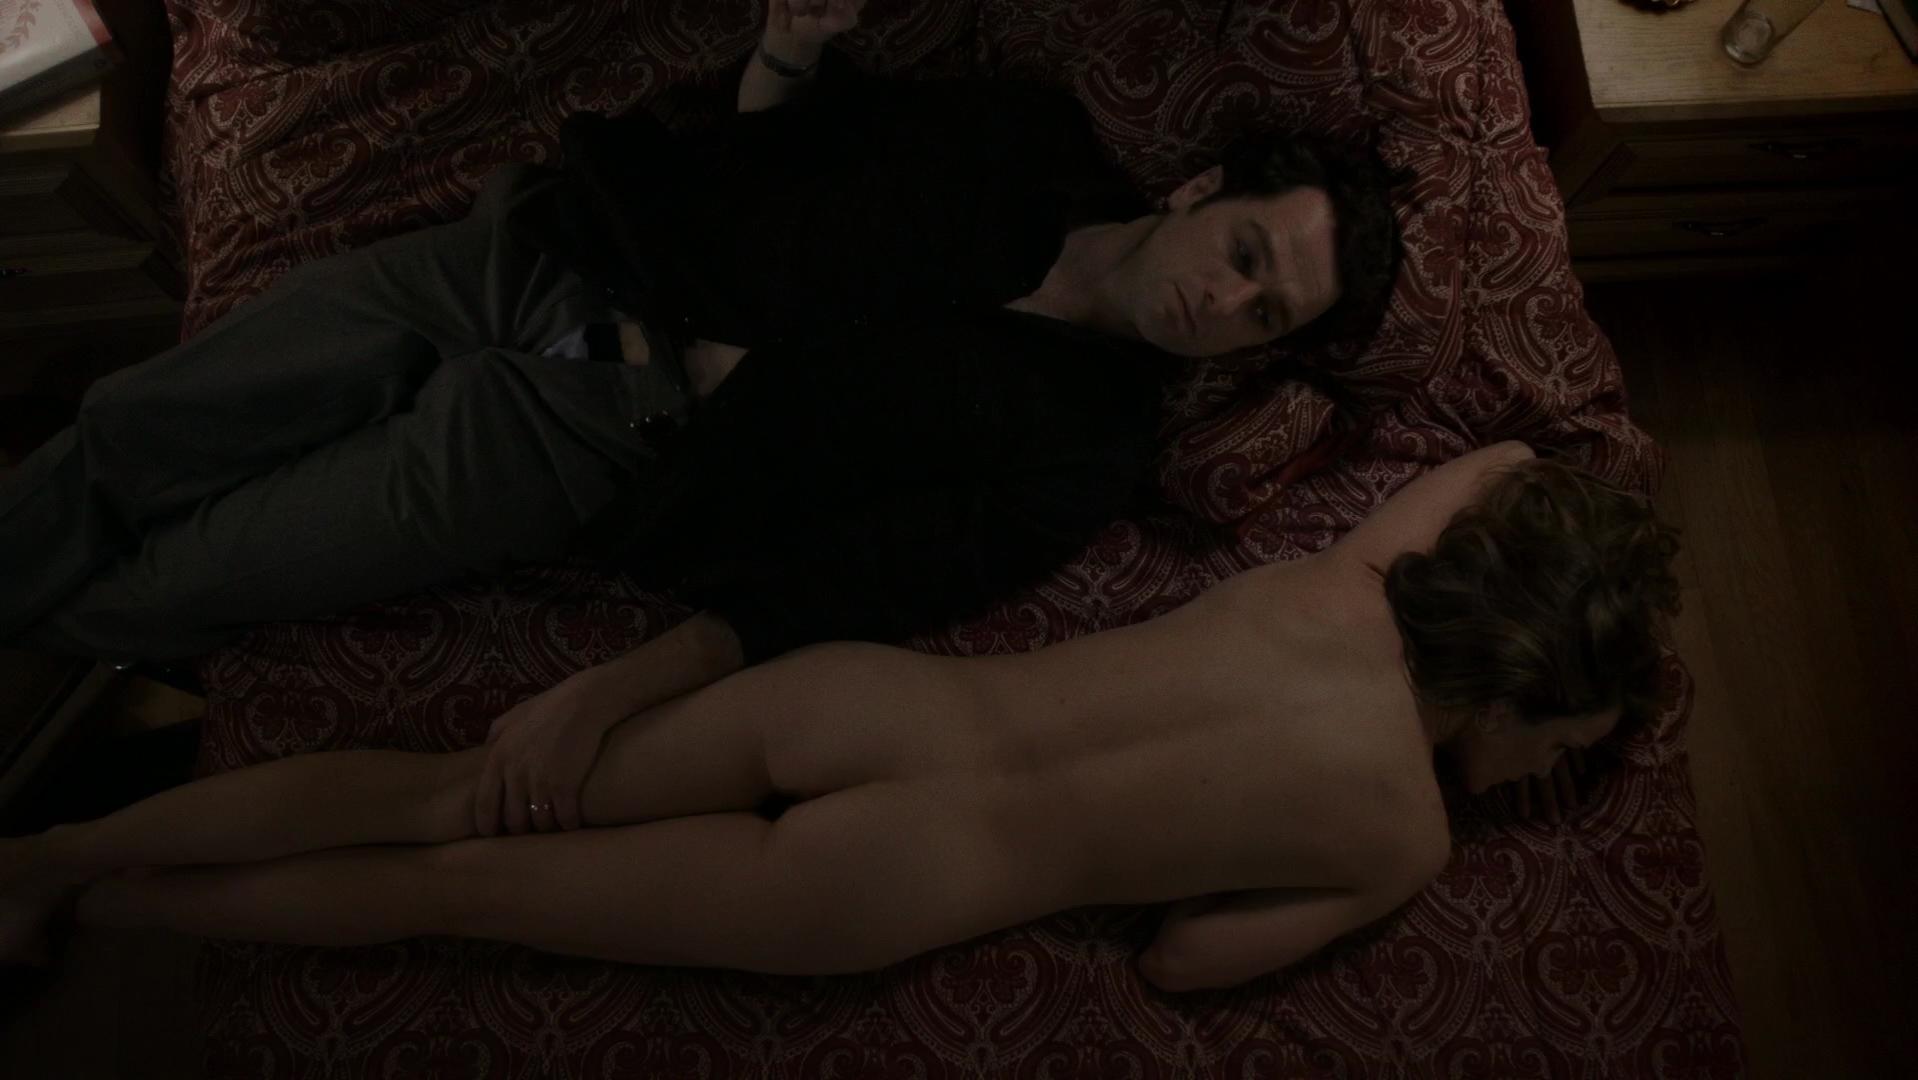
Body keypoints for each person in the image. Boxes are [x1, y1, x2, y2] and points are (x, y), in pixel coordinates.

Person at [0, 0, 1404, 833]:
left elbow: (841, 592)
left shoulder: (1085, 456)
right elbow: (783, 149)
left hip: (595, 432)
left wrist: (601, 699)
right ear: (1197, 192)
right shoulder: (1024, 139)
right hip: (551, 251)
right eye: (1244, 254)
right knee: (135, 428)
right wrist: (786, 53)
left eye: (1264, 313)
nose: (1226, 303)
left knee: (196, 578)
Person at [0, 441, 1682, 991]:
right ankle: (114, 909)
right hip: (904, 878)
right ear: (1536, 683)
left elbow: (1505, 463)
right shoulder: (1400, 842)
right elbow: (1184, 960)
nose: (1548, 777)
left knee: (450, 800)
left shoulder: (1348, 585)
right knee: (464, 892)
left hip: (872, 710)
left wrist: (1585, 562)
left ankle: (57, 858)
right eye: (1570, 745)